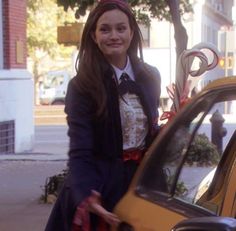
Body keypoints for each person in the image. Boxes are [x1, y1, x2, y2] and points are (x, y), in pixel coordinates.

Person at [45, 0, 161, 230]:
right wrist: (86, 192)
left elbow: (149, 131)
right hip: (101, 186)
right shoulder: (82, 86)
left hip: (142, 185)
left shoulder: (150, 76)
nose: (114, 36)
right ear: (93, 36)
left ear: (132, 32)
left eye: (121, 28)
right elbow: (80, 148)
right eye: (105, 29)